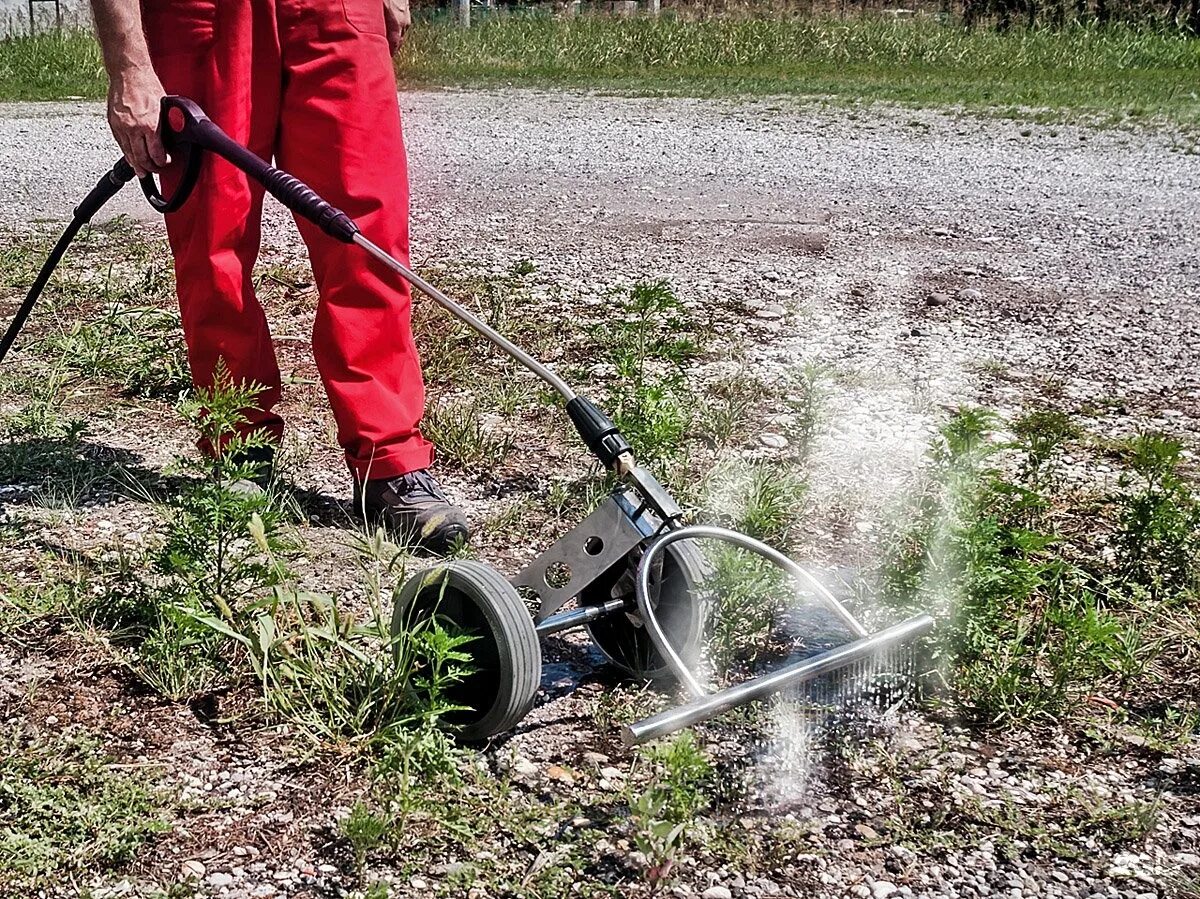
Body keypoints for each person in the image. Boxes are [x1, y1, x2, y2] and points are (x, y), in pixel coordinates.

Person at [89, 0, 469, 553]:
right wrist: (129, 65)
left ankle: (390, 461)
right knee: (212, 246)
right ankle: (240, 451)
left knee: (369, 238)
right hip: (205, 18)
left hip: (335, 14)